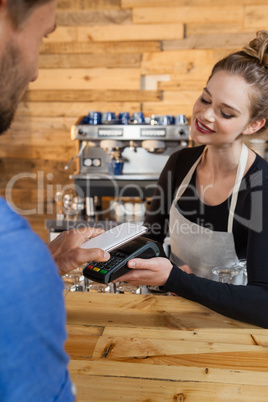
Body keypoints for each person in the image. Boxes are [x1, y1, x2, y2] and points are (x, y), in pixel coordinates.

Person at [116, 31, 268, 329]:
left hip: (232, 332)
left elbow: (264, 304)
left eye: (225, 113)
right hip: (171, 319)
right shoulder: (180, 164)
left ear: (253, 124)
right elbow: (151, 241)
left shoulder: (260, 188)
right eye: (205, 98)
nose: (205, 115)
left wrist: (176, 279)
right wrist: (110, 246)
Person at [0, 1, 110, 401]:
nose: (35, 71)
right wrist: (30, 273)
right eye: (43, 36)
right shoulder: (13, 260)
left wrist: (44, 265)